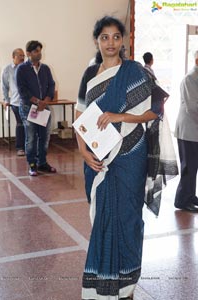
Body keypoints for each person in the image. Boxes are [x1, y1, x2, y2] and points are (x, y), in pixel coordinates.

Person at [75, 16, 177, 300]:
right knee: (103, 218)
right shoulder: (89, 76)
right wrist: (83, 151)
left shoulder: (136, 72)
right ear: (97, 41)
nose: (110, 42)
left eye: (116, 37)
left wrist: (121, 116)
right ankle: (103, 284)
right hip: (99, 158)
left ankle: (128, 284)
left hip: (131, 155)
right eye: (104, 37)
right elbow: (80, 118)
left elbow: (154, 111)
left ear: (124, 40)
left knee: (129, 219)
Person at [16, 40, 56, 176]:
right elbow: (22, 90)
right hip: (29, 108)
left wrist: (45, 101)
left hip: (43, 108)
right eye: (36, 51)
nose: (39, 53)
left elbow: (51, 85)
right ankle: (32, 164)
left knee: (44, 137)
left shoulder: (45, 68)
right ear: (28, 53)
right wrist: (38, 102)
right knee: (31, 137)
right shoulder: (22, 69)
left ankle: (42, 163)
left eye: (40, 51)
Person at [174, 50, 198, 212]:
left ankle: (190, 195)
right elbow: (193, 108)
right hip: (189, 131)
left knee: (193, 165)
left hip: (194, 131)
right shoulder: (190, 79)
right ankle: (182, 200)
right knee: (188, 167)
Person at [1, 48, 25, 156]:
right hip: (16, 102)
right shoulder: (7, 70)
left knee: (30, 125)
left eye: (23, 55)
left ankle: (30, 146)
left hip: (29, 102)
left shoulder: (27, 68)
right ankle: (20, 147)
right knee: (20, 124)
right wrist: (6, 100)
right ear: (13, 56)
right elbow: (4, 86)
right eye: (20, 55)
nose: (22, 58)